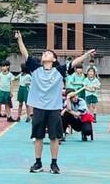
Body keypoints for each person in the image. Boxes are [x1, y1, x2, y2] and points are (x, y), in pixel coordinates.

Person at [15, 30, 94, 174]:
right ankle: (38, 163)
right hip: (39, 108)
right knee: (38, 136)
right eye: (44, 53)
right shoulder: (36, 69)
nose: (45, 53)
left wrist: (86, 55)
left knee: (54, 137)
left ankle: (54, 164)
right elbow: (25, 54)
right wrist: (19, 39)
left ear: (53, 59)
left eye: (48, 53)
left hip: (54, 109)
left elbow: (73, 63)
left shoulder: (59, 71)